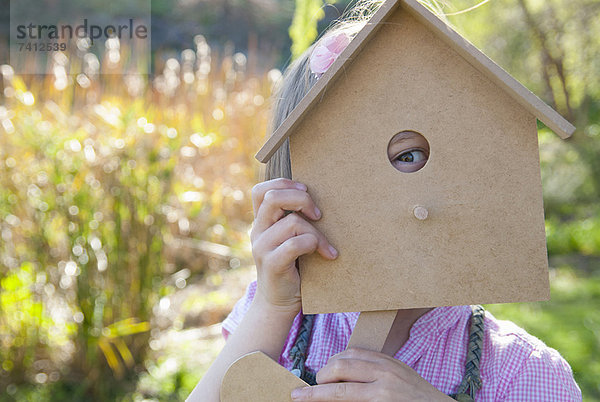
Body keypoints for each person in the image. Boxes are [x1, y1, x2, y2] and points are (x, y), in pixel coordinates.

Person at [188, 1, 582, 400]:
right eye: (340, 164)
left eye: (409, 156)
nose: (379, 197)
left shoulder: (522, 371)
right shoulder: (275, 326)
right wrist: (272, 309)